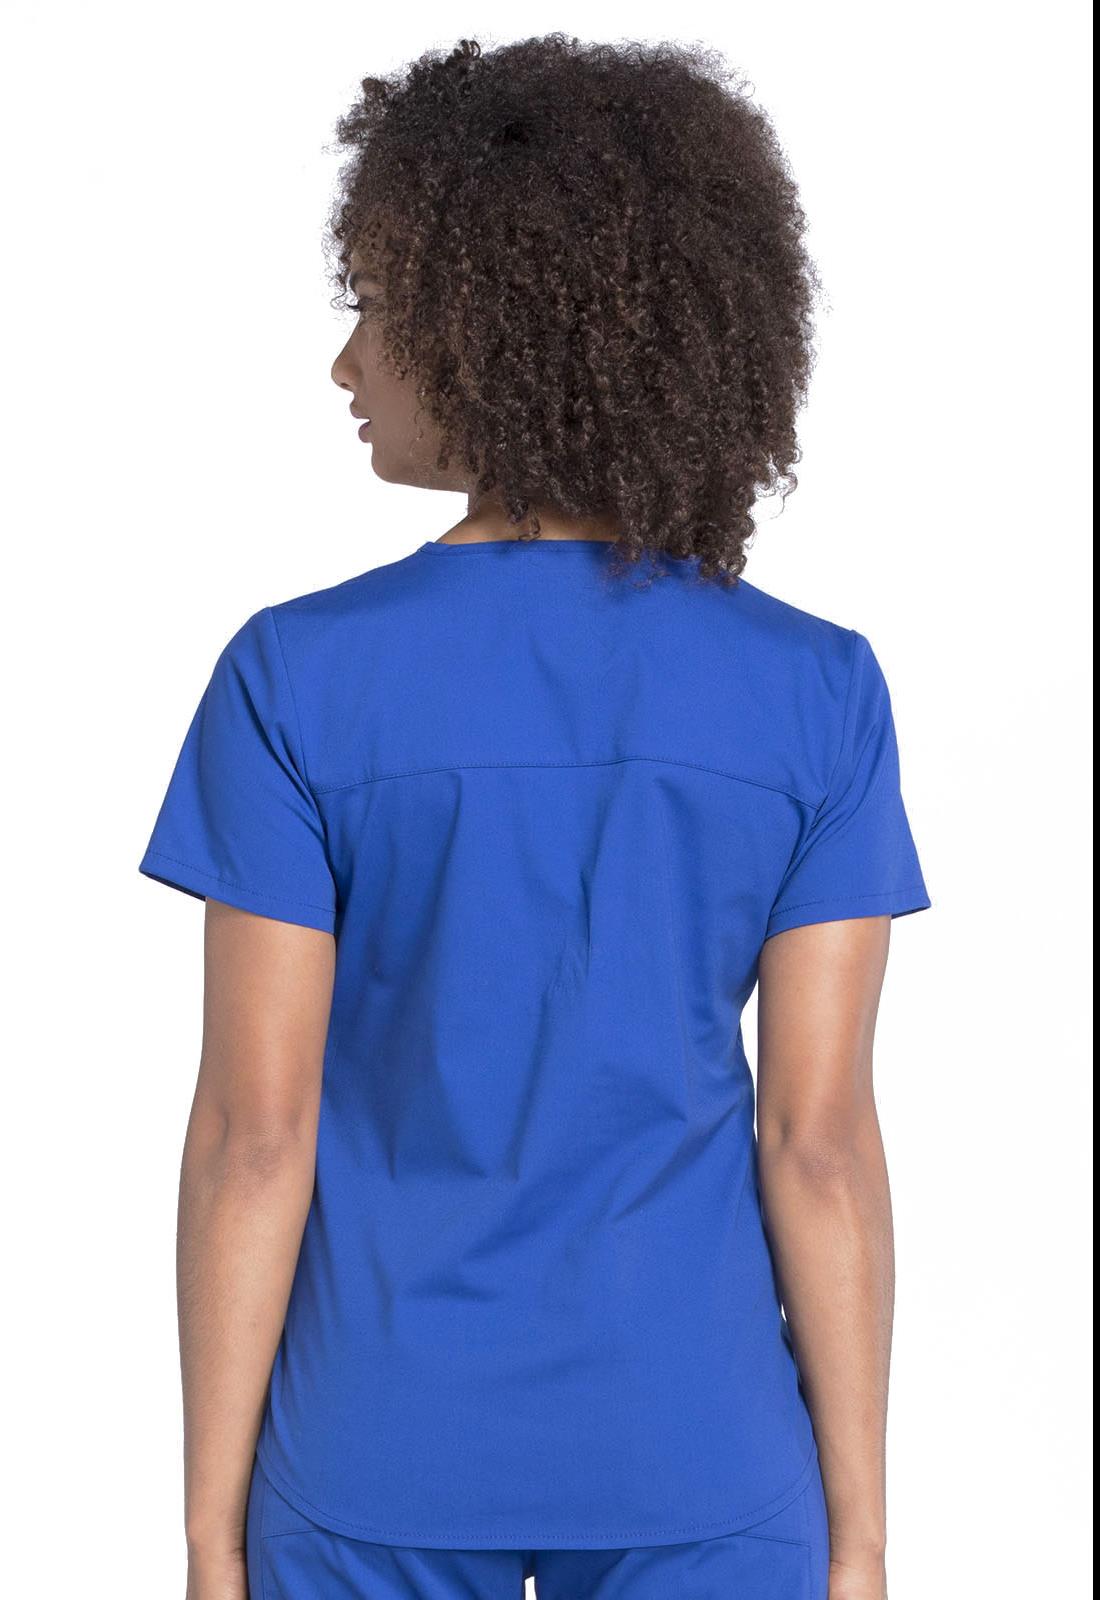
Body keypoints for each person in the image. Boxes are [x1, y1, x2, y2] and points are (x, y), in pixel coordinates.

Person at [139, 35, 932, 1600]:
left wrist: (211, 1535)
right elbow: (820, 1142)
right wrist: (858, 1540)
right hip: (700, 1455)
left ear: (487, 322)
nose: (346, 364)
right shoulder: (815, 688)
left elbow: (253, 1138)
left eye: (375, 305)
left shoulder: (297, 677)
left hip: (373, 1455)